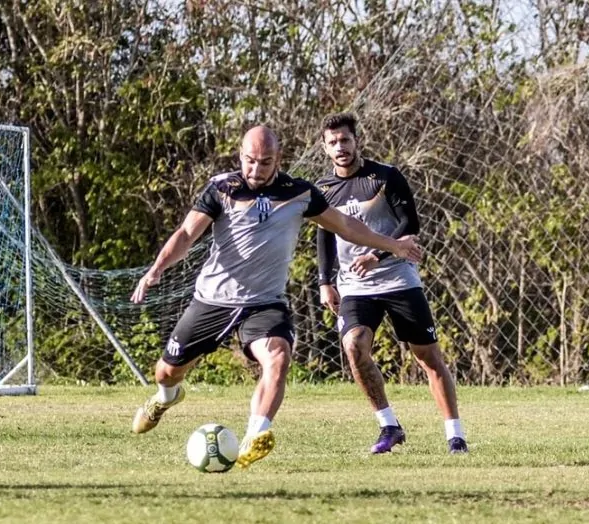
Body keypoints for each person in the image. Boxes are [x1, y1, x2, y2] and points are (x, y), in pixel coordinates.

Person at [130, 125, 423, 469]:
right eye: (250, 161)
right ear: (240, 156)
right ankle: (166, 397)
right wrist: (157, 269)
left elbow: (345, 225)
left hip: (265, 303)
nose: (256, 169)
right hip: (213, 299)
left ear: (278, 159)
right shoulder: (222, 188)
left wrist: (392, 245)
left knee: (279, 357)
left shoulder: (299, 193)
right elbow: (185, 234)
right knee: (166, 372)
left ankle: (254, 437)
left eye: (265, 162)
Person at [315, 112, 468, 455]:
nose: (340, 147)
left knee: (428, 357)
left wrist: (377, 255)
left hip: (398, 278)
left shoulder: (385, 177)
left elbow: (409, 224)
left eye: (345, 140)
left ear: (356, 141)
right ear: (325, 148)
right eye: (333, 142)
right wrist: (325, 281)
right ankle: (389, 426)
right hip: (356, 286)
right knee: (354, 346)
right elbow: (324, 235)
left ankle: (455, 436)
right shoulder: (323, 190)